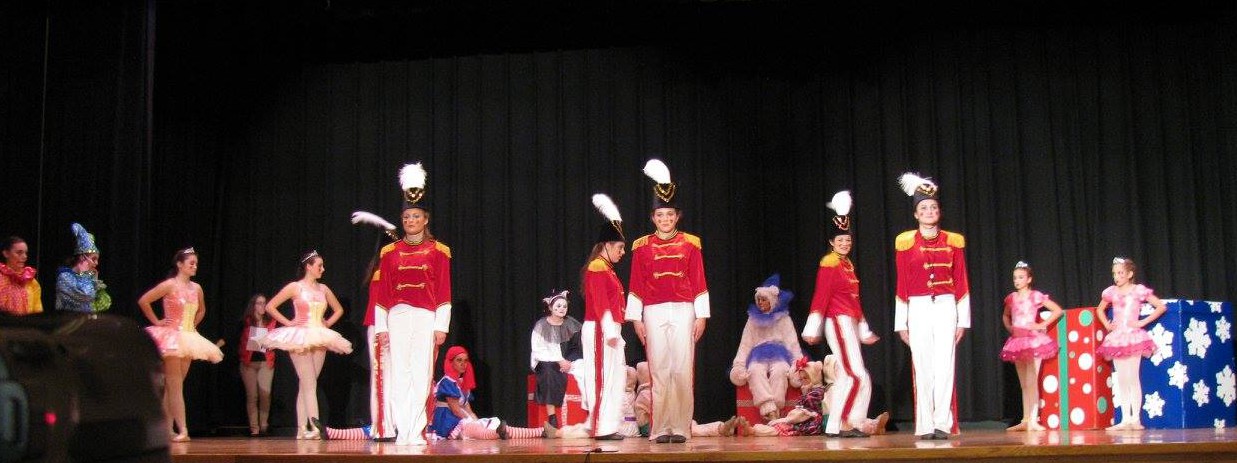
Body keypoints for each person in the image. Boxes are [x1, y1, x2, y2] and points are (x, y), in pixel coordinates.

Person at [625, 159, 710, 443]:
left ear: (677, 216)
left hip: (684, 309)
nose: (665, 219)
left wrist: (701, 316)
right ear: (653, 217)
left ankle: (681, 427)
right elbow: (636, 284)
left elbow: (699, 280)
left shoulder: (691, 243)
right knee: (659, 370)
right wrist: (636, 319)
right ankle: (661, 427)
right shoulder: (641, 246)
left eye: (669, 214)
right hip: (653, 311)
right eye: (660, 215)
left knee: (682, 369)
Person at [370, 162, 453, 445]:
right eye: (407, 217)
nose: (411, 220)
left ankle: (415, 431)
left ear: (425, 219)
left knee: (421, 374)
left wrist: (441, 326)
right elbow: (382, 295)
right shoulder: (389, 252)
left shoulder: (439, 251)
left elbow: (444, 292)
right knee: (399, 374)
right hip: (397, 317)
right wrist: (381, 327)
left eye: (416, 216)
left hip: (426, 317)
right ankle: (403, 430)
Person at [893, 173, 970, 440]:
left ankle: (942, 423)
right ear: (916, 214)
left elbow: (962, 281)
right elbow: (902, 284)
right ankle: (925, 424)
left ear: (940, 211)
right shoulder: (905, 242)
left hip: (946, 306)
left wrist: (963, 320)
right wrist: (901, 323)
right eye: (923, 208)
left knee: (944, 366)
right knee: (922, 366)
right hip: (918, 307)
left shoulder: (953, 241)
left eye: (933, 207)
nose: (929, 211)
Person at [801, 191, 883, 438]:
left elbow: (854, 301)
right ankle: (845, 423)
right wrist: (812, 328)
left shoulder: (847, 265)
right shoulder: (830, 263)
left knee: (854, 376)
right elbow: (821, 296)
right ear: (831, 241)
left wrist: (863, 328)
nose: (845, 243)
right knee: (855, 375)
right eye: (840, 240)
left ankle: (843, 423)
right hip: (837, 321)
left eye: (848, 239)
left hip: (848, 321)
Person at [261, 250, 353, 440]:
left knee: (307, 384)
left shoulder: (324, 289)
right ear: (308, 267)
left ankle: (302, 429)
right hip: (300, 336)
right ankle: (314, 428)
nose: (323, 269)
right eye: (319, 266)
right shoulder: (295, 287)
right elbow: (270, 306)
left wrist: (326, 323)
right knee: (309, 384)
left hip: (319, 336)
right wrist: (288, 323)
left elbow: (338, 309)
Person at [138, 247, 225, 442]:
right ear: (179, 264)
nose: (195, 266)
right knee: (175, 386)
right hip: (171, 337)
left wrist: (191, 326)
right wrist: (157, 321)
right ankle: (183, 429)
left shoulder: (197, 288)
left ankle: (166, 429)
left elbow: (202, 310)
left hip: (188, 337)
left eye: (196, 263)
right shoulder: (170, 285)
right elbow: (144, 301)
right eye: (191, 263)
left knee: (173, 387)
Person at [1096, 257, 1167, 431]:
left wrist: (1143, 322)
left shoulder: (1137, 290)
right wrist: (1106, 324)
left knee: (1133, 377)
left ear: (1130, 274)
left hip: (1133, 337)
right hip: (1117, 338)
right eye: (1114, 273)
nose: (1116, 277)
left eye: (1120, 273)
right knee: (1122, 378)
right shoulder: (1111, 292)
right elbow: (1100, 309)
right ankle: (1125, 418)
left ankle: (1135, 419)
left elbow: (1160, 306)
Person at [579, 193, 629, 440]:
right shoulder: (598, 267)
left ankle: (606, 426)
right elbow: (600, 303)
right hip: (601, 328)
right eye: (619, 247)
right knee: (600, 379)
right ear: (607, 245)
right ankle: (600, 427)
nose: (623, 252)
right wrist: (610, 331)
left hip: (608, 329)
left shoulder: (607, 269)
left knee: (613, 378)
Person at [351, 210, 402, 441]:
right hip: (381, 327)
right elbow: (382, 305)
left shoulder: (387, 271)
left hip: (393, 327)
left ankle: (394, 424)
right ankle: (382, 426)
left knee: (393, 377)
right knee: (382, 377)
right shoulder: (382, 272)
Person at [429, 346, 547, 440]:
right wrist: (472, 422)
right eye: (459, 360)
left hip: (461, 419)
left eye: (465, 361)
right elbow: (456, 410)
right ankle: (499, 433)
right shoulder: (447, 382)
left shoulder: (461, 383)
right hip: (448, 422)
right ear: (451, 362)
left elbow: (468, 409)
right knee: (482, 432)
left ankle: (541, 431)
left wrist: (476, 421)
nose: (463, 364)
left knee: (491, 426)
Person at [999, 261, 1064, 432]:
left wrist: (1040, 325)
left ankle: (1034, 419)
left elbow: (1057, 310)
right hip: (1017, 341)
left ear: (1029, 279)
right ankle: (1026, 419)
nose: (1017, 281)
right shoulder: (1012, 298)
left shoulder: (1035, 296)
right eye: (1015, 278)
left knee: (1031, 381)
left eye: (1021, 277)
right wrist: (1010, 328)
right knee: (1023, 383)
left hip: (1033, 341)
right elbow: (1006, 315)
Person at [730, 274, 802, 422]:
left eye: (764, 300)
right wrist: (739, 365)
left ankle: (776, 409)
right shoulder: (752, 319)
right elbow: (745, 345)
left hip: (780, 355)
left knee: (781, 370)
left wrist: (798, 365)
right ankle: (768, 408)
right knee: (754, 370)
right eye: (758, 300)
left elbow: (792, 344)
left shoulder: (784, 319)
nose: (760, 303)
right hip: (758, 356)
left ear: (772, 300)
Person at [529, 289, 582, 429]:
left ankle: (588, 415)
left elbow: (575, 348)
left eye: (564, 306)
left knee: (586, 370)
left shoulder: (571, 324)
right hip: (545, 361)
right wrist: (558, 360)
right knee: (549, 371)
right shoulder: (541, 325)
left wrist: (568, 362)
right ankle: (552, 416)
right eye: (558, 306)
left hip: (568, 362)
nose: (562, 309)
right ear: (551, 308)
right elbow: (538, 350)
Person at [239, 293, 276, 436]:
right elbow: (232, 336)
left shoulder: (271, 322)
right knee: (252, 395)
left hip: (265, 362)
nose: (262, 306)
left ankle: (264, 424)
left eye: (264, 303)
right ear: (253, 306)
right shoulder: (246, 321)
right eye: (259, 303)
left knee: (265, 394)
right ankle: (254, 427)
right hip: (249, 364)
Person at [55, 223, 111, 314]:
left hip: (84, 321)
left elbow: (104, 305)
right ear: (82, 257)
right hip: (68, 322)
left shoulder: (87, 278)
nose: (96, 263)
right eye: (94, 259)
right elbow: (86, 295)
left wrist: (95, 283)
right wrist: (85, 273)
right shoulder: (64, 277)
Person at [0, 236, 42, 315]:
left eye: (26, 253)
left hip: (26, 322)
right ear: (6, 253)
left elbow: (37, 313)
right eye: (19, 253)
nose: (24, 257)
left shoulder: (32, 282)